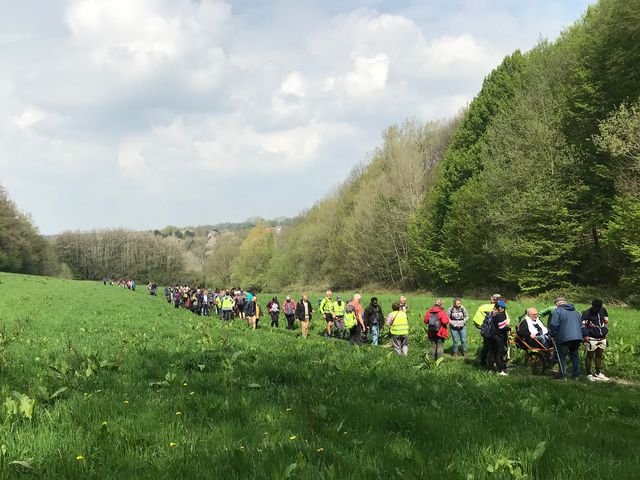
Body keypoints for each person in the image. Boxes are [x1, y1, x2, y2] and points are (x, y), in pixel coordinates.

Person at [549, 296, 583, 380]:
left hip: (564, 337)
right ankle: (576, 375)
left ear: (557, 304)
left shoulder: (557, 311)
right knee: (575, 355)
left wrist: (552, 335)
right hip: (577, 337)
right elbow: (581, 324)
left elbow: (554, 325)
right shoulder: (576, 312)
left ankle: (562, 374)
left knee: (562, 356)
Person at [581, 299, 610, 381]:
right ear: (592, 305)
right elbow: (583, 325)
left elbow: (606, 322)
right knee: (590, 356)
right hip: (591, 337)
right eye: (595, 307)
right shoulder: (587, 313)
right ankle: (589, 374)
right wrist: (585, 335)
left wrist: (605, 332)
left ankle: (598, 373)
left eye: (599, 307)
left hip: (602, 337)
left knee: (599, 355)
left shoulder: (603, 310)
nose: (597, 309)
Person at [483, 300, 510, 375]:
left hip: (489, 336)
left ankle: (490, 370)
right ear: (500, 308)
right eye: (503, 308)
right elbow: (502, 327)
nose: (504, 309)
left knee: (491, 353)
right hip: (497, 337)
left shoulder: (490, 313)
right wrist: (509, 329)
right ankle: (500, 371)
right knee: (499, 354)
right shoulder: (499, 315)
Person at [474, 294, 501, 367]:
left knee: (487, 347)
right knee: (489, 348)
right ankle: (488, 364)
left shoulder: (486, 307)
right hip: (489, 331)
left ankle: (485, 362)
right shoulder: (489, 308)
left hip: (487, 330)